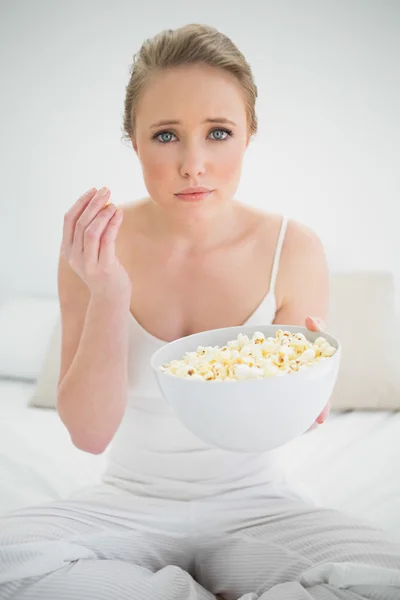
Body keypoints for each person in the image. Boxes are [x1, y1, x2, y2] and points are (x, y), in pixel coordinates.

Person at [1, 23, 399, 600]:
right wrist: (110, 293)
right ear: (133, 140)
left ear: (248, 135)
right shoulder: (93, 250)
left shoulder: (294, 247)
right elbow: (89, 435)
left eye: (218, 132)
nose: (194, 163)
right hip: (127, 505)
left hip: (256, 509)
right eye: (166, 136)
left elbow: (293, 418)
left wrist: (308, 394)